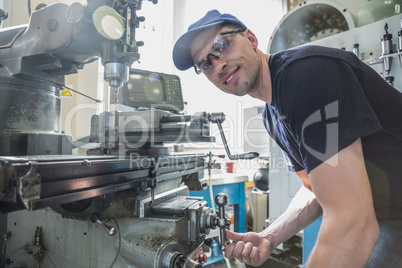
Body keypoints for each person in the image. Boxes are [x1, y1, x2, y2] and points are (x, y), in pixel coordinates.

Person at [172, 9, 402, 268]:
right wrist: (270, 237)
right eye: (205, 64)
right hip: (385, 217)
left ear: (251, 38)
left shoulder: (307, 75)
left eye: (222, 45)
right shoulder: (272, 116)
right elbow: (314, 189)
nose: (218, 65)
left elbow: (352, 223)